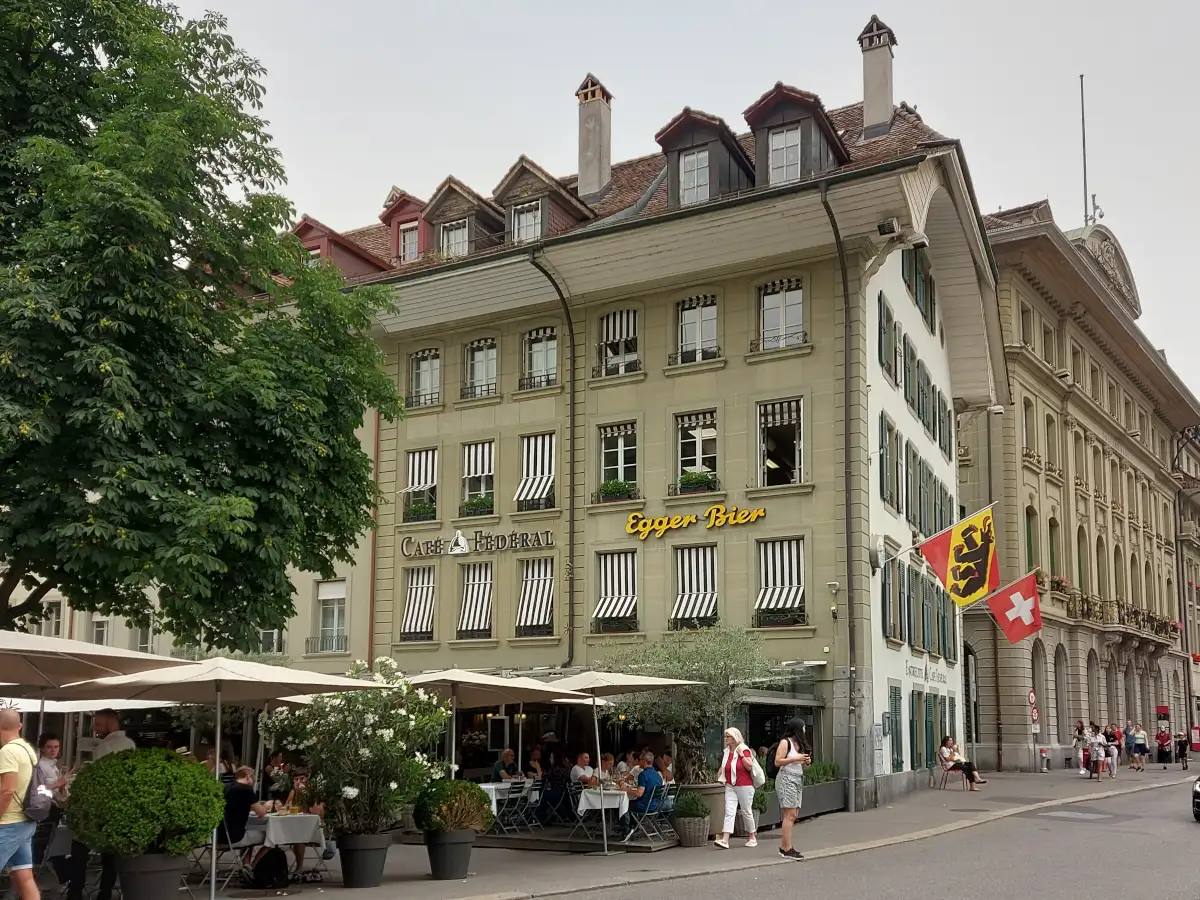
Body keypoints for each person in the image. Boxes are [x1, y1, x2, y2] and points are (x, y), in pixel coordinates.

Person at [66, 709, 134, 900]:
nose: (94, 729)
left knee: (80, 847)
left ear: (111, 724)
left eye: (97, 724)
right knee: (110, 856)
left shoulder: (104, 747)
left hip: (100, 806)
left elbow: (100, 780)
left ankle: (75, 892)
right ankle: (105, 892)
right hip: (119, 807)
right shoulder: (130, 744)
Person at [0, 709, 40, 900]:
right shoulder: (27, 749)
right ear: (20, 726)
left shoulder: (8, 751)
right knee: (24, 878)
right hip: (26, 821)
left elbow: (8, 790)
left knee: (24, 878)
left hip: (9, 823)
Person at [772, 718, 811, 860]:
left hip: (797, 779)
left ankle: (785, 846)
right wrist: (795, 759)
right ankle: (787, 849)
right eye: (804, 727)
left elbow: (804, 766)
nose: (805, 730)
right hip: (786, 779)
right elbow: (778, 761)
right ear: (798, 729)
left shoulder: (799, 744)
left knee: (793, 814)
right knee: (790, 814)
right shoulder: (785, 742)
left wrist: (805, 761)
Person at [714, 727, 757, 849]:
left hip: (744, 785)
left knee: (746, 811)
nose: (726, 739)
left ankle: (752, 837)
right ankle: (725, 839)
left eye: (728, 736)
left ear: (734, 738)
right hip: (730, 785)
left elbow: (749, 766)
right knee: (729, 811)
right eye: (726, 736)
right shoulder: (726, 751)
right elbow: (725, 765)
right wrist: (720, 772)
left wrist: (742, 756)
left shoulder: (743, 749)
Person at [32, 733, 68, 866]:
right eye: (49, 747)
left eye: (56, 747)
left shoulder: (54, 766)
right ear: (42, 748)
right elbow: (36, 787)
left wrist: (62, 788)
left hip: (53, 808)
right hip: (44, 809)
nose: (53, 750)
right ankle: (36, 871)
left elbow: (55, 790)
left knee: (49, 842)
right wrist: (58, 784)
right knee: (40, 843)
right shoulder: (41, 766)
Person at [221, 766, 270, 847]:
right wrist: (267, 805)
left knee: (249, 831)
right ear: (248, 776)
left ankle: (246, 860)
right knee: (270, 836)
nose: (254, 781)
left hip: (217, 838)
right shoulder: (246, 789)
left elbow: (235, 805)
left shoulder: (225, 787)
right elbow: (261, 813)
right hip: (235, 838)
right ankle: (256, 860)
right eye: (253, 778)